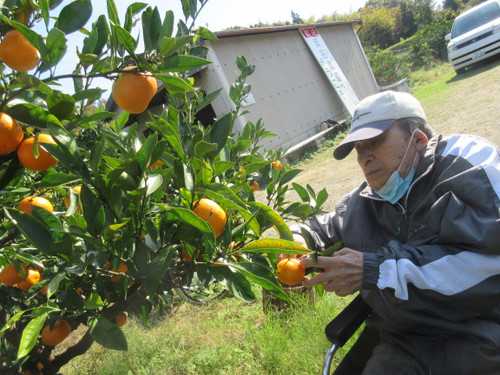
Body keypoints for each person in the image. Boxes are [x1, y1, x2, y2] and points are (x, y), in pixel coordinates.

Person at [292, 90, 500, 375]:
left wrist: (376, 270)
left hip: (479, 334)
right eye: (358, 149)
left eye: (374, 142)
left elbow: (488, 264)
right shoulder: (368, 200)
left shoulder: (468, 166)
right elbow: (322, 227)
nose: (364, 158)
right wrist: (296, 238)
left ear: (418, 139)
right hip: (404, 340)